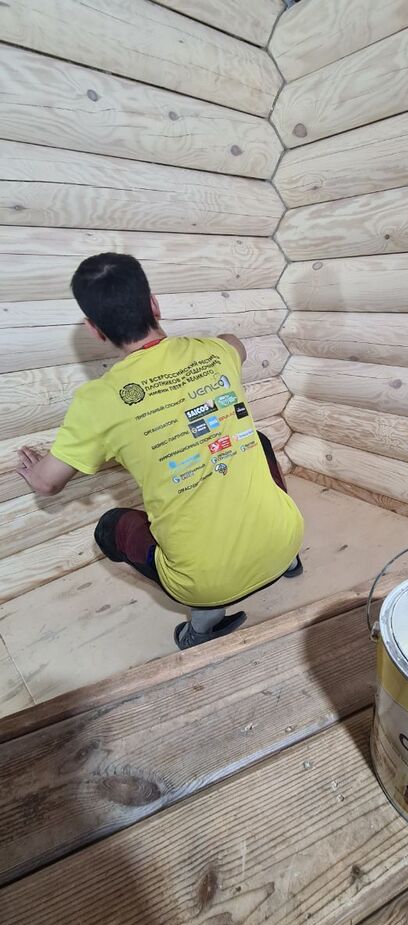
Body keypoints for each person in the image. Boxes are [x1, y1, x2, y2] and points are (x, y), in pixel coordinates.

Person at [16, 253, 304, 650]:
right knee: (259, 441)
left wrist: (36, 471)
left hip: (209, 584)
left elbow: (48, 483)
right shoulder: (214, 353)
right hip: (287, 538)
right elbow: (235, 344)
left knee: (109, 528)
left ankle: (203, 627)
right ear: (154, 304)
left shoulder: (98, 401)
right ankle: (288, 562)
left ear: (95, 329)